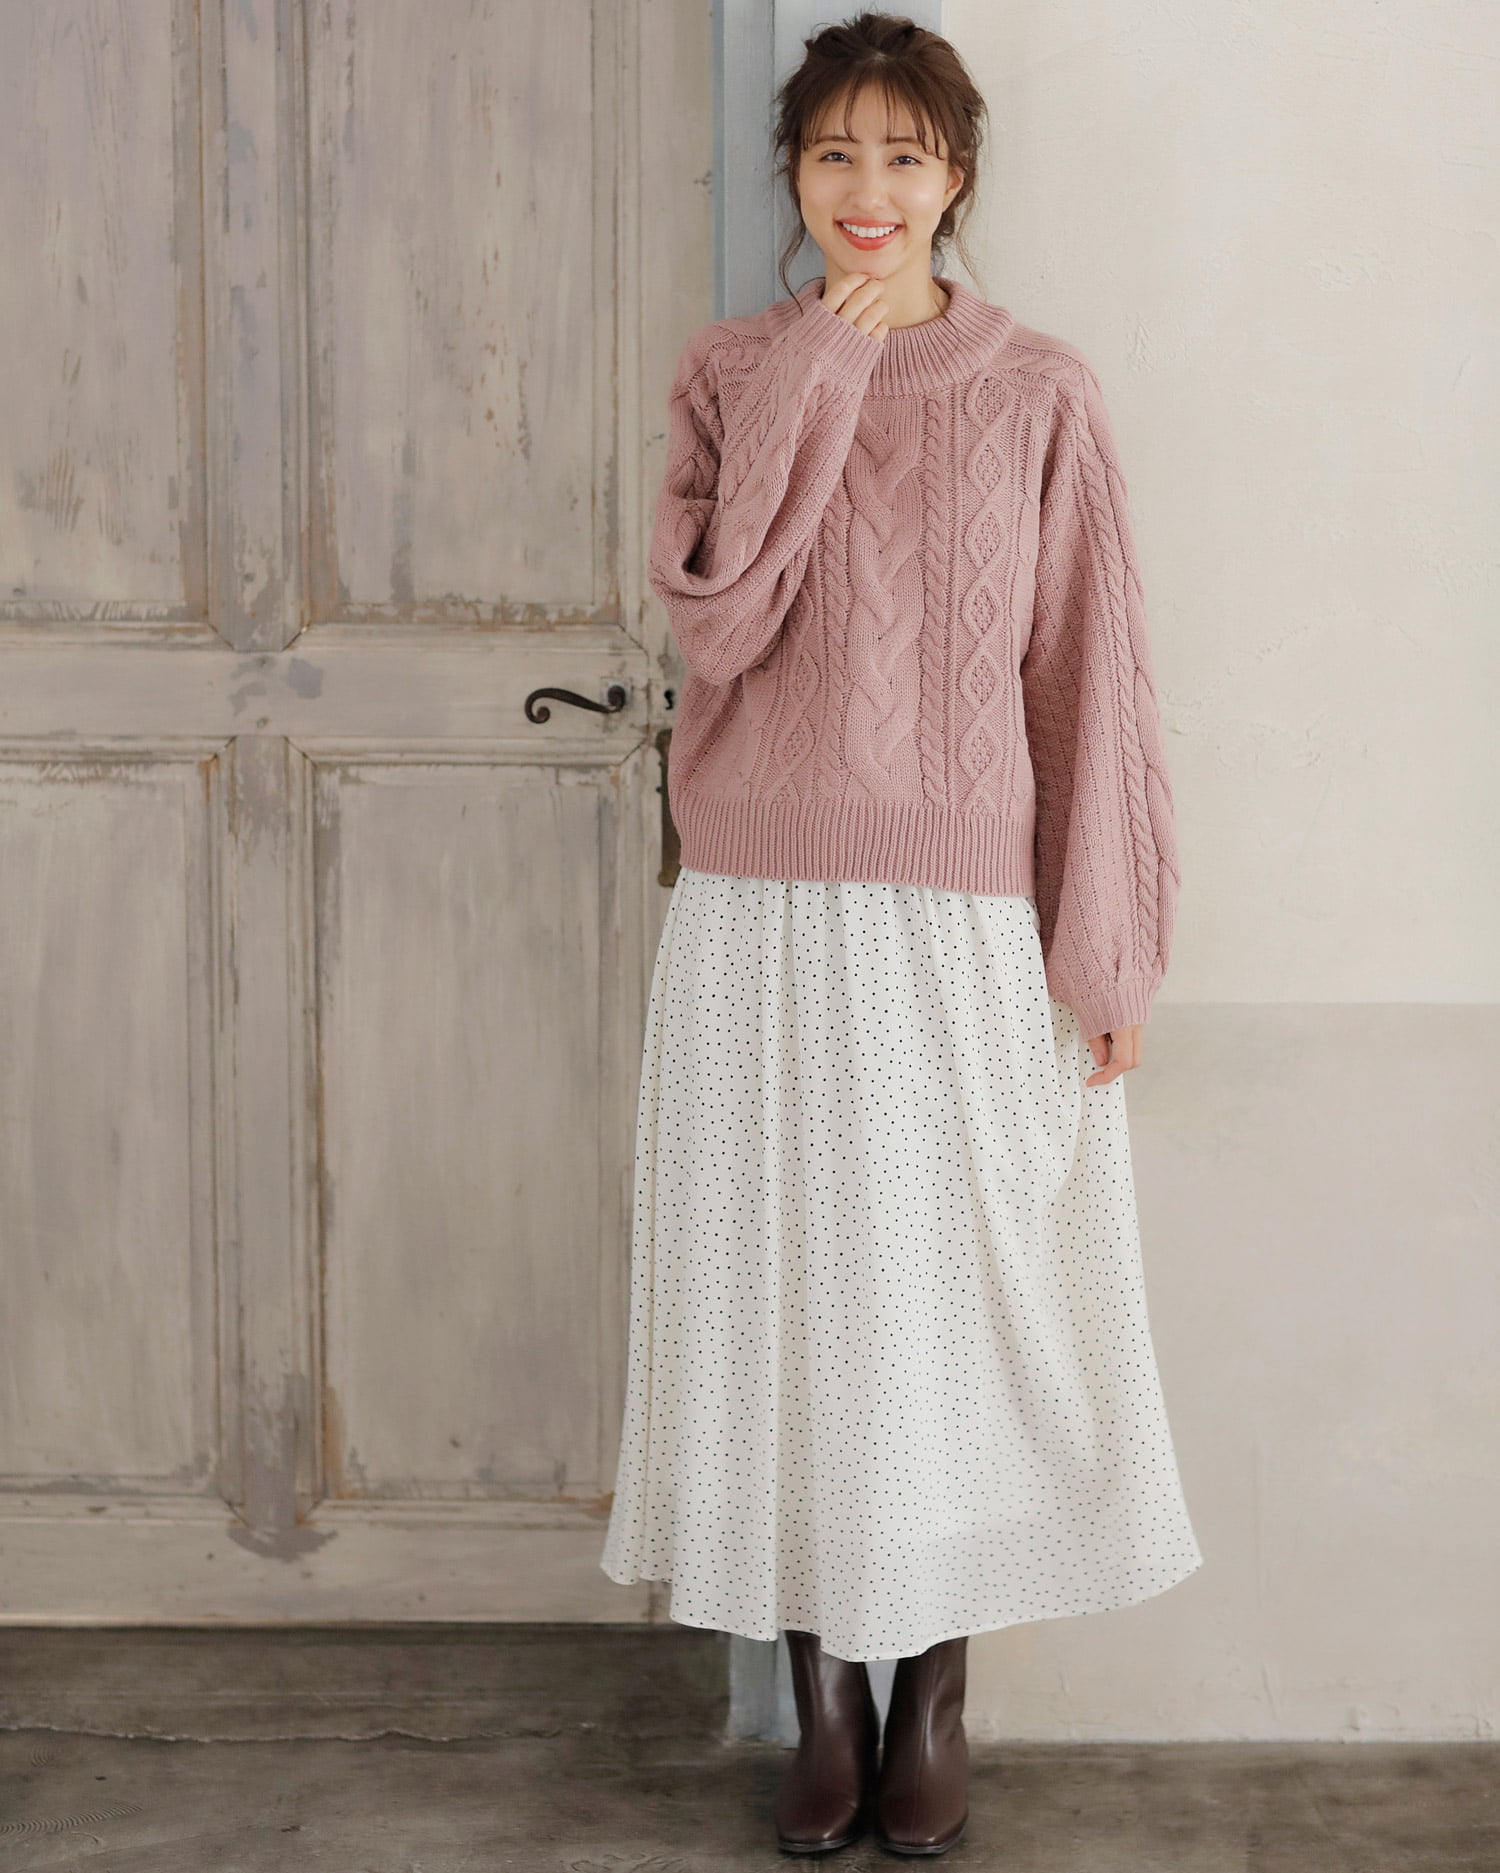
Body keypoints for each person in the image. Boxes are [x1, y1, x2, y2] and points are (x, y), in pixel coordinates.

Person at [600, 10, 1202, 1858]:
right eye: (835, 154)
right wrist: (818, 370)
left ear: (958, 174)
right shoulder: (734, 370)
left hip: (958, 925)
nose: (870, 190)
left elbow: (1091, 674)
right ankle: (825, 1702)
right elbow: (717, 617)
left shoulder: (1040, 391)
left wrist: (1106, 948)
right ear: (793, 173)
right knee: (783, 1298)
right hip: (759, 916)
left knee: (947, 1312)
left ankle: (934, 1689)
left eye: (906, 155)